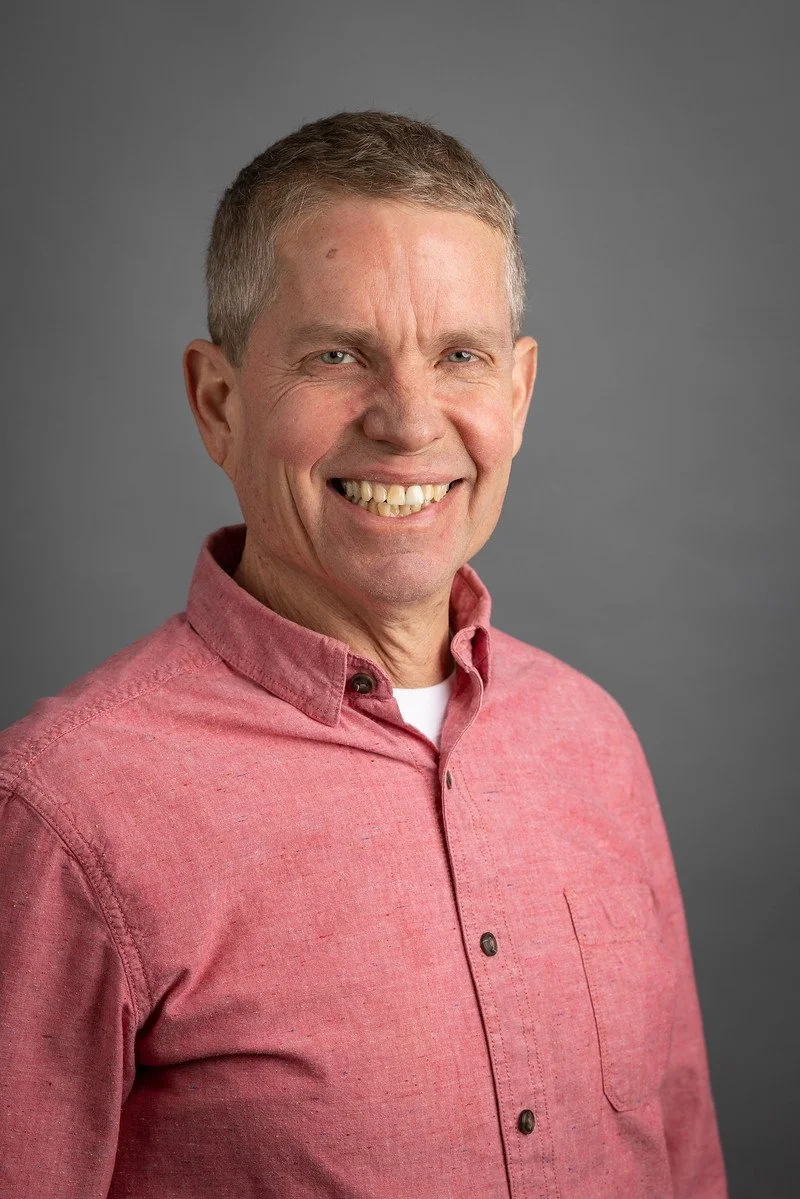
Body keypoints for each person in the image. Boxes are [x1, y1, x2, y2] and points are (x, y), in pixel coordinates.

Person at [0, 110, 727, 1198]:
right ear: (219, 401)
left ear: (517, 393)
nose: (406, 419)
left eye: (460, 355)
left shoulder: (594, 743)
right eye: (338, 353)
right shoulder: (63, 810)